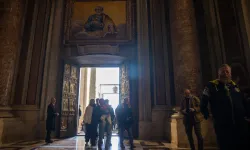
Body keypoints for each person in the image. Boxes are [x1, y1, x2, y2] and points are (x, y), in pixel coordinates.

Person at [200, 64, 250, 150]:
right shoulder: (211, 86)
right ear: (218, 73)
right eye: (223, 71)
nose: (225, 73)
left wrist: (248, 115)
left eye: (227, 71)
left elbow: (243, 102)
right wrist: (206, 114)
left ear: (230, 74)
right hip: (223, 126)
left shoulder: (235, 86)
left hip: (240, 124)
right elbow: (203, 101)